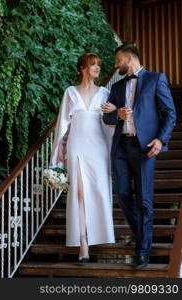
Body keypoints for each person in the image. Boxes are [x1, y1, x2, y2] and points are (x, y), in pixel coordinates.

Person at [102, 43, 176, 269]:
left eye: (118, 61)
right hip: (121, 148)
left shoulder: (156, 79)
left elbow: (170, 113)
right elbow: (107, 119)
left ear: (128, 58)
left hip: (144, 148)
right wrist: (117, 114)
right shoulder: (116, 87)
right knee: (123, 195)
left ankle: (142, 251)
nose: (116, 66)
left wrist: (161, 139)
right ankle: (143, 233)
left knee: (144, 199)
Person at [49, 53, 115, 263]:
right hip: (77, 146)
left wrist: (113, 112)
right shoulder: (70, 92)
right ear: (83, 68)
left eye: (98, 65)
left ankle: (101, 234)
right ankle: (83, 243)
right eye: (93, 65)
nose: (97, 68)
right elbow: (63, 125)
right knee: (79, 194)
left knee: (99, 191)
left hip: (98, 147)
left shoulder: (105, 93)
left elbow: (110, 123)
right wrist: (60, 149)